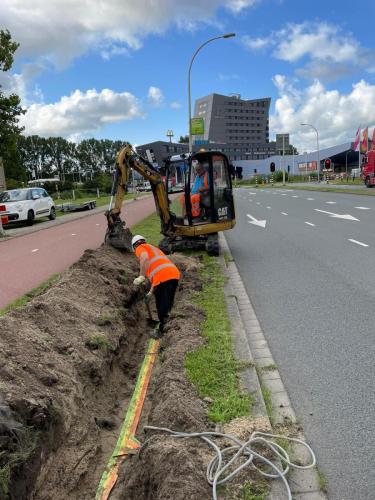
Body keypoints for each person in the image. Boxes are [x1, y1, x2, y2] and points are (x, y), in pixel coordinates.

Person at [132, 235, 180, 338]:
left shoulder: (140, 248)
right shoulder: (153, 249)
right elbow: (157, 274)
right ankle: (169, 325)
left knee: (161, 305)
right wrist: (150, 292)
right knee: (168, 303)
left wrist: (141, 276)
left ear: (134, 246)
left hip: (163, 277)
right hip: (173, 274)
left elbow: (144, 258)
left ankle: (162, 330)